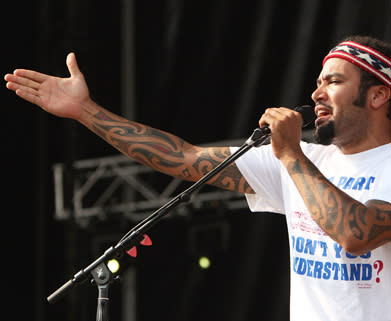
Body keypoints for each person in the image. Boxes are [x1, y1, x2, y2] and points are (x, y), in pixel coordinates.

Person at [5, 35, 391, 321]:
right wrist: (86, 111)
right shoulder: (305, 159)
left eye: (334, 82)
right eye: (319, 82)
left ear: (377, 96)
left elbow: (354, 233)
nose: (316, 93)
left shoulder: (306, 159)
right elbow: (183, 157)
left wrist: (290, 154)